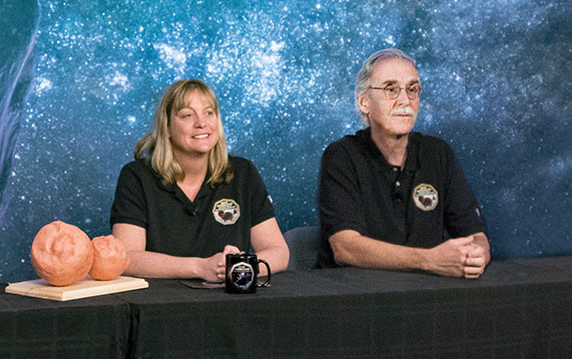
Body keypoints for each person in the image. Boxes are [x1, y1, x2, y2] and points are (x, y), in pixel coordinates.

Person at [317, 48, 490, 278]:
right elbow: (345, 248)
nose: (405, 101)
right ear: (364, 102)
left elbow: (476, 235)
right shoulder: (342, 156)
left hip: (424, 296)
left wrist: (476, 256)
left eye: (412, 90)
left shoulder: (439, 154)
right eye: (391, 90)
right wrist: (429, 261)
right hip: (356, 298)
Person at [110, 79, 289, 282]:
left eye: (209, 112)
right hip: (159, 304)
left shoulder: (243, 172)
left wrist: (238, 266)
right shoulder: (136, 176)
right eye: (187, 115)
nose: (201, 123)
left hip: (230, 303)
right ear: (166, 127)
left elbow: (278, 252)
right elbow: (127, 259)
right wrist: (200, 267)